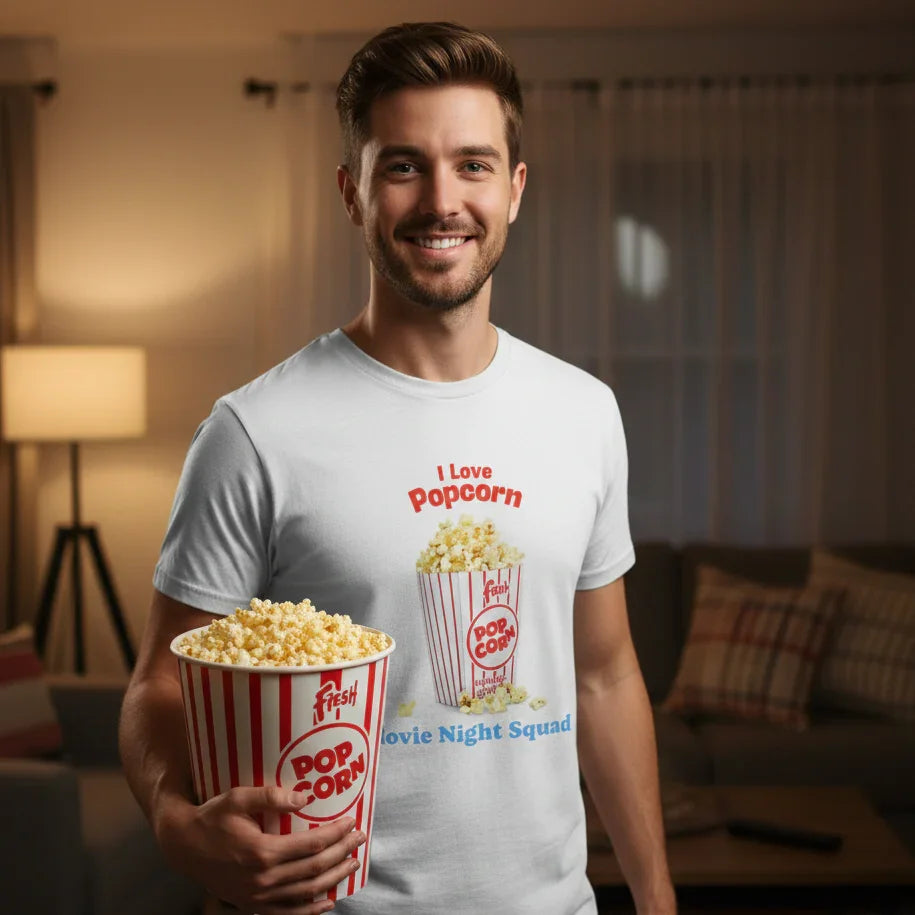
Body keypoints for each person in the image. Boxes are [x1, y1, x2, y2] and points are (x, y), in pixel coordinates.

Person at [119, 21, 676, 915]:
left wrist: (655, 897)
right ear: (353, 192)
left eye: (473, 164)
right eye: (404, 165)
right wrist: (173, 820)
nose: (441, 199)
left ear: (516, 188)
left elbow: (602, 676)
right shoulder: (255, 431)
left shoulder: (583, 412)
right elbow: (159, 681)